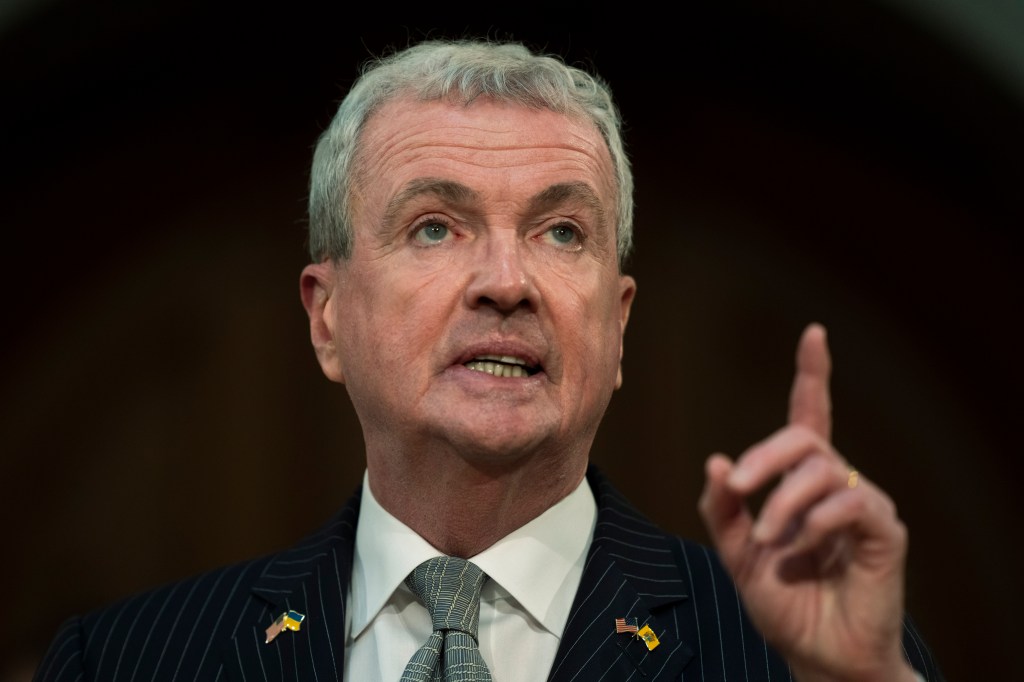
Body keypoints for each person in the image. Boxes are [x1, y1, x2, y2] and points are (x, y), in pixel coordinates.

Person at [33, 38, 943, 681]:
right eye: (435, 226)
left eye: (560, 230)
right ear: (327, 320)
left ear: (618, 326)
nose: (506, 282)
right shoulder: (128, 659)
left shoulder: (800, 654)